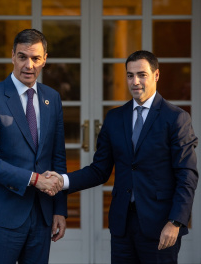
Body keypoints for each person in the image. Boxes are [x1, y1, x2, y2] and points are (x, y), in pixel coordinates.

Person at [46, 50, 199, 263]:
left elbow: (187, 176)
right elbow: (99, 170)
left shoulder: (176, 119)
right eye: (130, 75)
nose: (135, 81)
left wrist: (175, 222)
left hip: (161, 226)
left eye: (142, 74)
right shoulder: (115, 118)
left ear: (156, 75)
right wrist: (63, 181)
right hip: (122, 225)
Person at [0, 29, 67, 264]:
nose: (29, 65)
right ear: (13, 56)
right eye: (23, 57)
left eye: (35, 58)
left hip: (42, 215)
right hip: (2, 216)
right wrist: (35, 179)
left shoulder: (52, 98)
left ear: (45, 59)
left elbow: (58, 157)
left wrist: (60, 210)